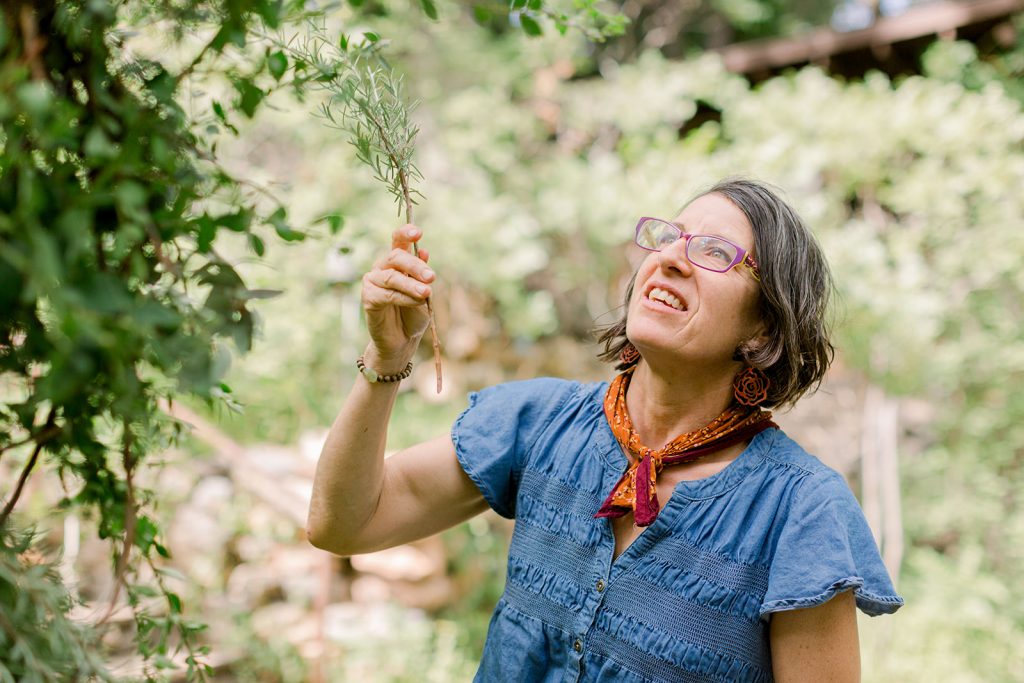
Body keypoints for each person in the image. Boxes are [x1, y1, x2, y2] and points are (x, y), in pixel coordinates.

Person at [307, 178, 903, 682]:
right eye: (668, 237)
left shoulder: (800, 511)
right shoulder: (538, 423)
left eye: (716, 253)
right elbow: (344, 523)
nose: (670, 257)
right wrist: (387, 359)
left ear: (765, 328)